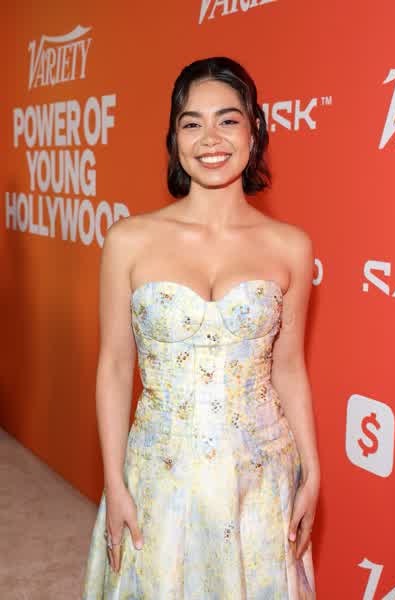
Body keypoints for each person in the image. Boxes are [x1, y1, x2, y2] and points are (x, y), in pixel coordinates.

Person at [82, 56, 320, 599]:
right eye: (192, 123)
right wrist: (115, 482)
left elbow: (289, 368)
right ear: (174, 139)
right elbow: (115, 366)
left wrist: (313, 471)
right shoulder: (128, 240)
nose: (210, 138)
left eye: (227, 120)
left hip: (259, 474)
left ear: (254, 130)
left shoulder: (291, 246)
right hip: (160, 472)